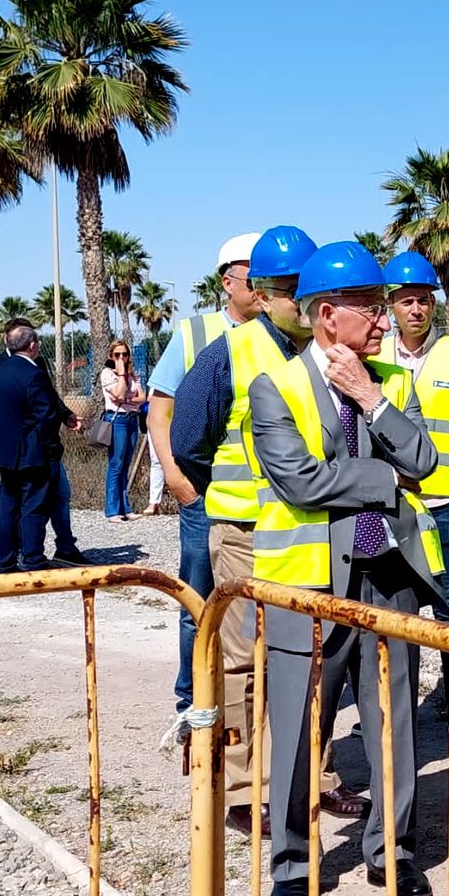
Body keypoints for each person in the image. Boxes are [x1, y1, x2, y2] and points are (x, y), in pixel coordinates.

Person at [247, 241, 444, 896]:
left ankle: (394, 851)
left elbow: (426, 459)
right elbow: (300, 481)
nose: (386, 318)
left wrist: (370, 396)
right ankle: (293, 864)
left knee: (395, 722)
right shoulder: (275, 387)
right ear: (329, 315)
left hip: (388, 574)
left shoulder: (390, 381)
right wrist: (386, 479)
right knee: (301, 729)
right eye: (372, 306)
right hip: (308, 586)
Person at [174, 225, 369, 836]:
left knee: (315, 665)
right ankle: (241, 789)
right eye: (284, 290)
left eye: (303, 289)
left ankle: (314, 778)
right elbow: (189, 442)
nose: (296, 301)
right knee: (244, 664)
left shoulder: (337, 356)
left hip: (316, 535)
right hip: (246, 534)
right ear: (258, 294)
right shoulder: (227, 355)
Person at [147, 232, 262, 715]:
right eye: (254, 279)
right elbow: (159, 410)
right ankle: (191, 699)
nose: (263, 288)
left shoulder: (283, 338)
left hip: (258, 503)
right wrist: (176, 479)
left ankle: (243, 699)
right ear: (227, 283)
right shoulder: (196, 333)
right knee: (197, 599)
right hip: (202, 495)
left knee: (247, 609)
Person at [373, 250, 449, 735]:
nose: (416, 309)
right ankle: (388, 706)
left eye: (423, 300)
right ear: (391, 305)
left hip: (446, 500)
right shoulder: (373, 356)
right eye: (406, 301)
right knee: (392, 607)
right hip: (390, 501)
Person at [0, 318, 88, 565]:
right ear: (32, 345)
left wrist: (66, 415)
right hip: (32, 453)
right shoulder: (30, 372)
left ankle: (5, 563)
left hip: (4, 452)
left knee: (8, 507)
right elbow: (45, 414)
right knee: (34, 507)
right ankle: (33, 559)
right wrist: (48, 445)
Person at [98, 341, 147, 521]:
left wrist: (126, 399)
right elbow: (118, 393)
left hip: (132, 419)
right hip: (116, 420)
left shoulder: (133, 374)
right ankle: (112, 510)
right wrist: (120, 375)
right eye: (117, 354)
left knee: (126, 465)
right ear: (111, 356)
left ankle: (125, 508)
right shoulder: (107, 373)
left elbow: (142, 397)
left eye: (124, 354)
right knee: (116, 464)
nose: (121, 358)